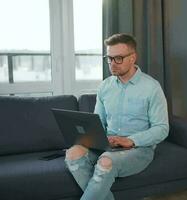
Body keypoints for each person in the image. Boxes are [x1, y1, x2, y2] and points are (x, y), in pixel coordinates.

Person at [64, 33, 169, 200]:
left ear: (132, 58)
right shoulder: (105, 86)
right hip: (107, 144)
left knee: (105, 161)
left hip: (138, 149)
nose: (112, 64)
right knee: (73, 154)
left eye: (118, 58)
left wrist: (131, 140)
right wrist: (91, 137)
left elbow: (162, 129)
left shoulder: (152, 88)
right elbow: (98, 122)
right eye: (109, 58)